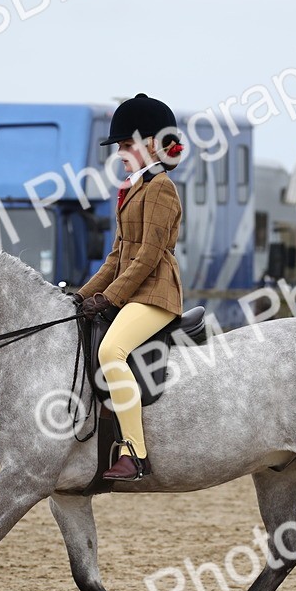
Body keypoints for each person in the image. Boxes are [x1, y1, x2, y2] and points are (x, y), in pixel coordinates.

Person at [76, 94, 185, 481]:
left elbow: (148, 256)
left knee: (111, 351)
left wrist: (110, 298)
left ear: (152, 143)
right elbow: (117, 256)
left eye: (126, 145)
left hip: (156, 293)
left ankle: (135, 454)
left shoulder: (161, 188)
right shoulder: (133, 187)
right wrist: (80, 296)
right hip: (134, 289)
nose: (120, 154)